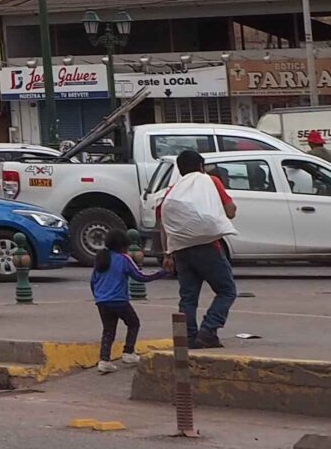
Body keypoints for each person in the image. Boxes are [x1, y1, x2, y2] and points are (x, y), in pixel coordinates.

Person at [155, 149, 238, 348]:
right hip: (208, 248)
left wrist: (168, 254)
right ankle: (209, 330)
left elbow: (164, 223)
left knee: (188, 297)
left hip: (181, 251)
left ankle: (188, 338)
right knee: (227, 291)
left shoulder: (173, 190)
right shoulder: (210, 182)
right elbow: (231, 211)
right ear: (201, 167)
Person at [89, 227, 160, 372]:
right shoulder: (123, 258)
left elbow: (93, 281)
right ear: (123, 245)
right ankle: (128, 352)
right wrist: (160, 273)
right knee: (133, 323)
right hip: (119, 300)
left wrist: (98, 296)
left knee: (108, 330)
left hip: (102, 301)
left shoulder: (102, 258)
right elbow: (140, 276)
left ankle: (104, 360)